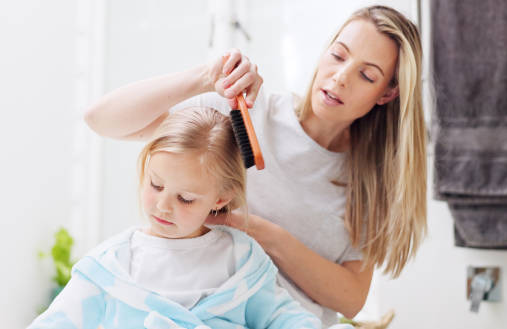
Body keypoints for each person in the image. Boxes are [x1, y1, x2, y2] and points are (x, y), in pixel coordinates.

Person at [84, 5, 427, 328]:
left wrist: (263, 233)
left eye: (367, 75)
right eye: (338, 55)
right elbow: (101, 120)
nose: (340, 78)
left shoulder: (371, 179)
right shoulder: (244, 112)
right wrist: (206, 77)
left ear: (387, 93)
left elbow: (351, 299)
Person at [28, 107, 349, 329]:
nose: (164, 206)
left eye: (185, 198)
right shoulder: (114, 263)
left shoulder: (240, 258)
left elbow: (281, 317)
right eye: (155, 185)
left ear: (220, 199)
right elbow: (57, 322)